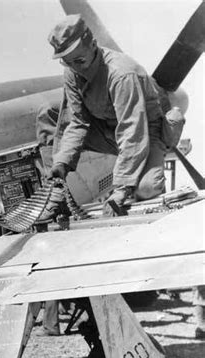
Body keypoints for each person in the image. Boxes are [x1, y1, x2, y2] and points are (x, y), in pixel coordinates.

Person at [36, 14, 181, 216]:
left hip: (146, 132)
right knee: (49, 113)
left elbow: (133, 130)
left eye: (79, 60)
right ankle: (56, 192)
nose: (75, 68)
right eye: (67, 63)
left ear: (93, 45)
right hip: (109, 131)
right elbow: (77, 122)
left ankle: (140, 182)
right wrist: (61, 163)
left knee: (147, 189)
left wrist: (121, 187)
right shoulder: (72, 71)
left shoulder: (122, 74)